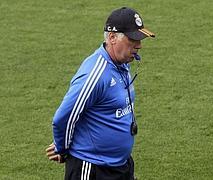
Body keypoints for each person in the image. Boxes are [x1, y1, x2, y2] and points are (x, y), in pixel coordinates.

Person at [46, 7, 155, 180]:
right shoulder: (94, 74)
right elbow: (64, 117)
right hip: (92, 169)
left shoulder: (122, 63)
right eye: (133, 39)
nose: (139, 45)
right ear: (112, 38)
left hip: (122, 165)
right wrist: (62, 148)